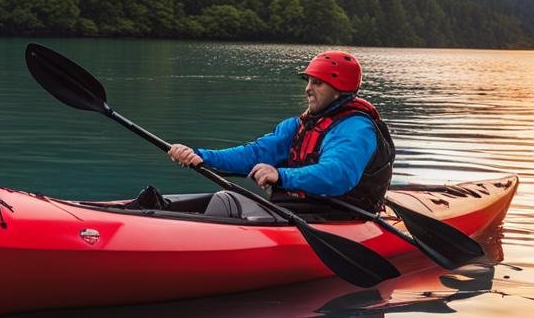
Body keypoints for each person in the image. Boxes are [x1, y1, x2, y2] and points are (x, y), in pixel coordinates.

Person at [168, 51, 395, 214]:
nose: (308, 89)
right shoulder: (298, 126)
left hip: (344, 214)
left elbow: (338, 174)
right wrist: (201, 156)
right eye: (308, 82)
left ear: (340, 89)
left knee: (228, 202)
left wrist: (281, 176)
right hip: (303, 207)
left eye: (317, 83)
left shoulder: (356, 129)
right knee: (220, 200)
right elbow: (255, 154)